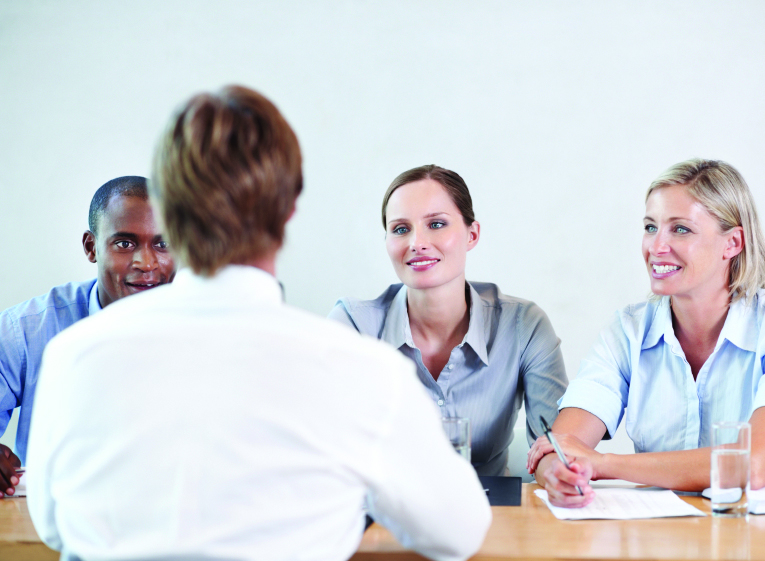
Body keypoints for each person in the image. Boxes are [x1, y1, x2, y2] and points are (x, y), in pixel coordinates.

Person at [26, 86, 491, 561]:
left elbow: (52, 527)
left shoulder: (73, 356)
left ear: (166, 211)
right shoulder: (364, 372)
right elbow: (459, 533)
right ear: (289, 208)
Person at [527, 158, 765, 507]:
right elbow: (559, 446)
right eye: (651, 227)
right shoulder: (627, 331)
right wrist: (557, 471)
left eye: (680, 229)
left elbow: (752, 464)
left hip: (764, 541)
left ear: (733, 243)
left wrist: (605, 464)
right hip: (664, 539)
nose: (656, 246)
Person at [329, 165, 569, 476]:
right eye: (401, 229)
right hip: (386, 514)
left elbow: (553, 446)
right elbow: (325, 443)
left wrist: (560, 475)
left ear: (472, 235)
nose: (417, 242)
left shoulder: (524, 326)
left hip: (492, 515)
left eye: (437, 224)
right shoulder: (354, 326)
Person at [0, 176, 174, 495]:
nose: (147, 263)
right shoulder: (25, 331)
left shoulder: (211, 333)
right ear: (91, 247)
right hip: (53, 530)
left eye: (163, 244)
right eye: (125, 243)